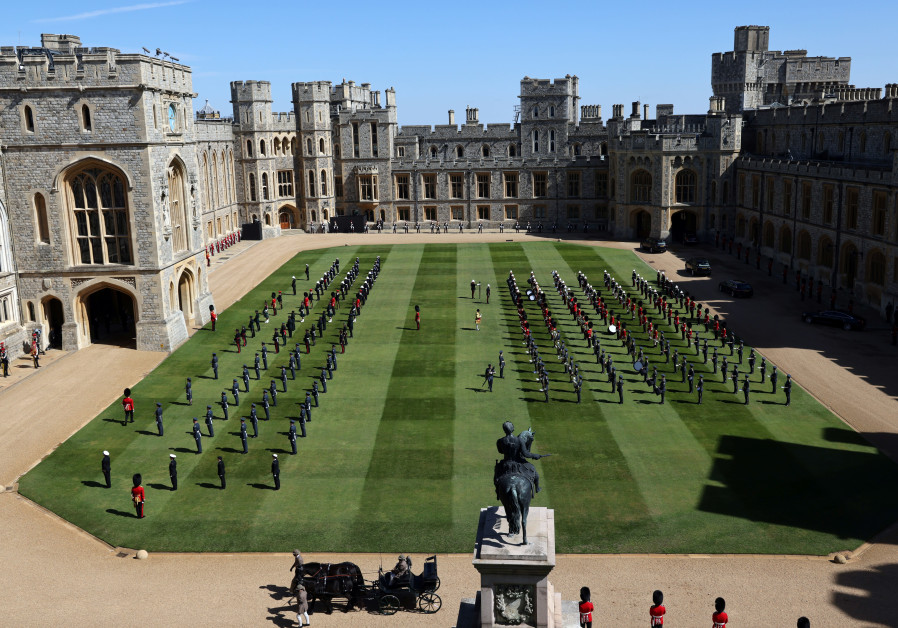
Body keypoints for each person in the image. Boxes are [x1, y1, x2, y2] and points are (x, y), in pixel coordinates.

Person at [495, 421, 547, 494]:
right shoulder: (519, 440)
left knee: (497, 473)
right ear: (513, 429)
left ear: (504, 430)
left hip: (506, 464)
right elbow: (526, 454)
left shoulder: (500, 441)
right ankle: (537, 488)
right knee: (534, 471)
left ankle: (497, 490)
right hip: (518, 463)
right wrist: (535, 455)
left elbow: (500, 451)